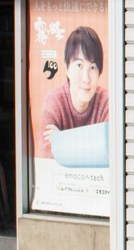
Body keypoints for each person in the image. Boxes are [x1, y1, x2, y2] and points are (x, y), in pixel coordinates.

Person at [41, 25, 109, 154]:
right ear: (67, 69)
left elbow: (111, 156)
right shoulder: (54, 102)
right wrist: (94, 145)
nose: (86, 78)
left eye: (92, 67)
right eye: (79, 65)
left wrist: (64, 141)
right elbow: (48, 162)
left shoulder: (106, 102)